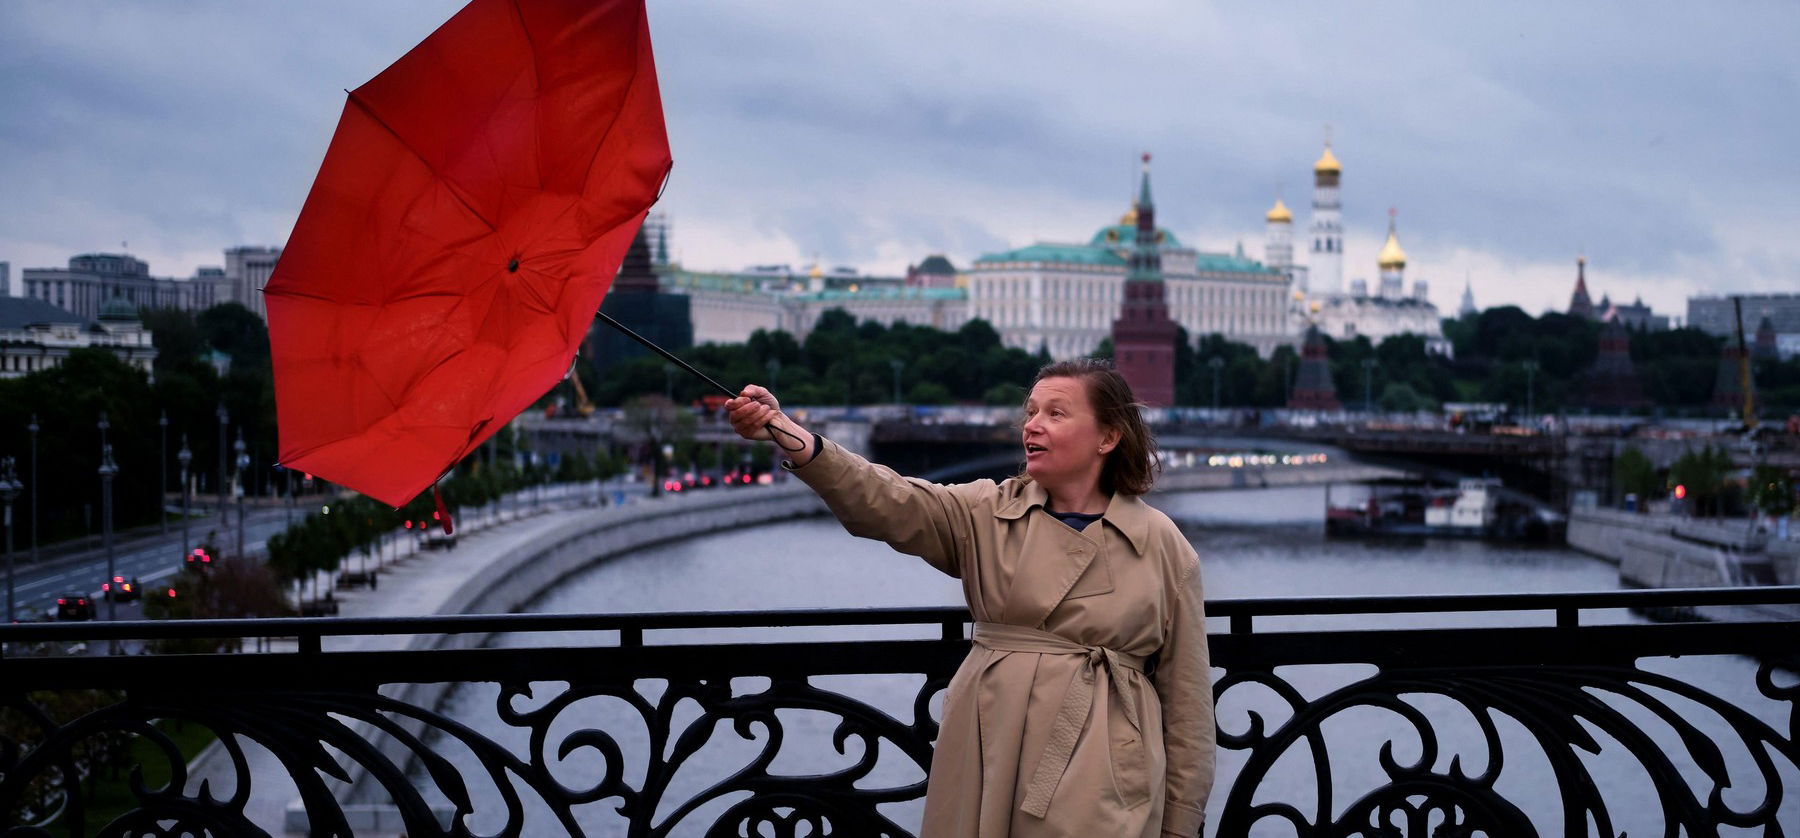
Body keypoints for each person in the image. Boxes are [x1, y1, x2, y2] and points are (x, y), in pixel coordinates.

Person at [725, 358, 1214, 837]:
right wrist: (789, 432)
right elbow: (888, 500)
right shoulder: (985, 512)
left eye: (1056, 413)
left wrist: (1180, 824)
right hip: (987, 748)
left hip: (1103, 767)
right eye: (1031, 412)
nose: (1032, 426)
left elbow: (1188, 706)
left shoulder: (1162, 545)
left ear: (1108, 437)